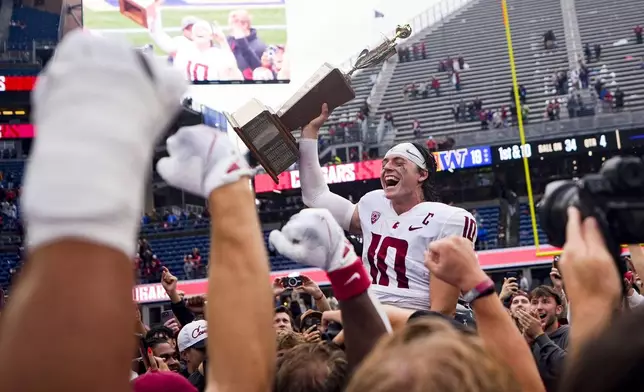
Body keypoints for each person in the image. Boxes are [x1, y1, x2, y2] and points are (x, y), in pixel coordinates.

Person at [297, 104, 477, 314]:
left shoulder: (449, 219)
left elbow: (442, 311)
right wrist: (310, 133)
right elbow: (315, 196)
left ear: (422, 175)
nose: (388, 167)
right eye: (385, 164)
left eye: (399, 163)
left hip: (415, 322)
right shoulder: (372, 204)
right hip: (370, 318)